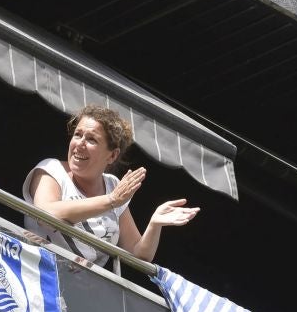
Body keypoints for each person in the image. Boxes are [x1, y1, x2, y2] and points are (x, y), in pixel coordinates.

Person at [22, 105, 199, 270]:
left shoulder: (112, 185)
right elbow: (45, 215)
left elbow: (139, 254)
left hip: (84, 291)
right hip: (38, 275)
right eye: (78, 134)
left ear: (112, 155)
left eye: (91, 139)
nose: (80, 143)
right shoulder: (51, 169)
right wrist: (110, 201)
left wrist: (155, 223)